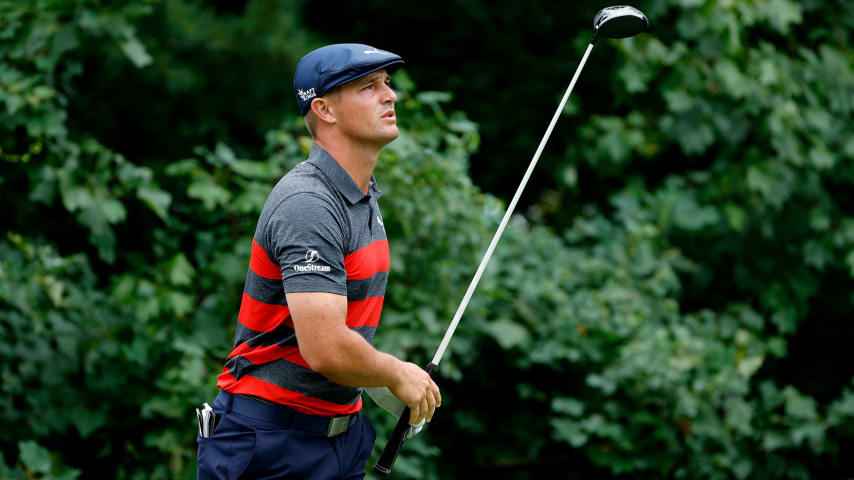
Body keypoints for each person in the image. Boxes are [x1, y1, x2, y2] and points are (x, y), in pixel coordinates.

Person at [196, 43, 441, 479]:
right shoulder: (309, 202)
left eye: (387, 83)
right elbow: (325, 347)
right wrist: (395, 372)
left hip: (339, 437)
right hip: (270, 442)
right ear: (324, 109)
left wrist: (382, 385)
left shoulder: (363, 198)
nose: (391, 96)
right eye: (369, 86)